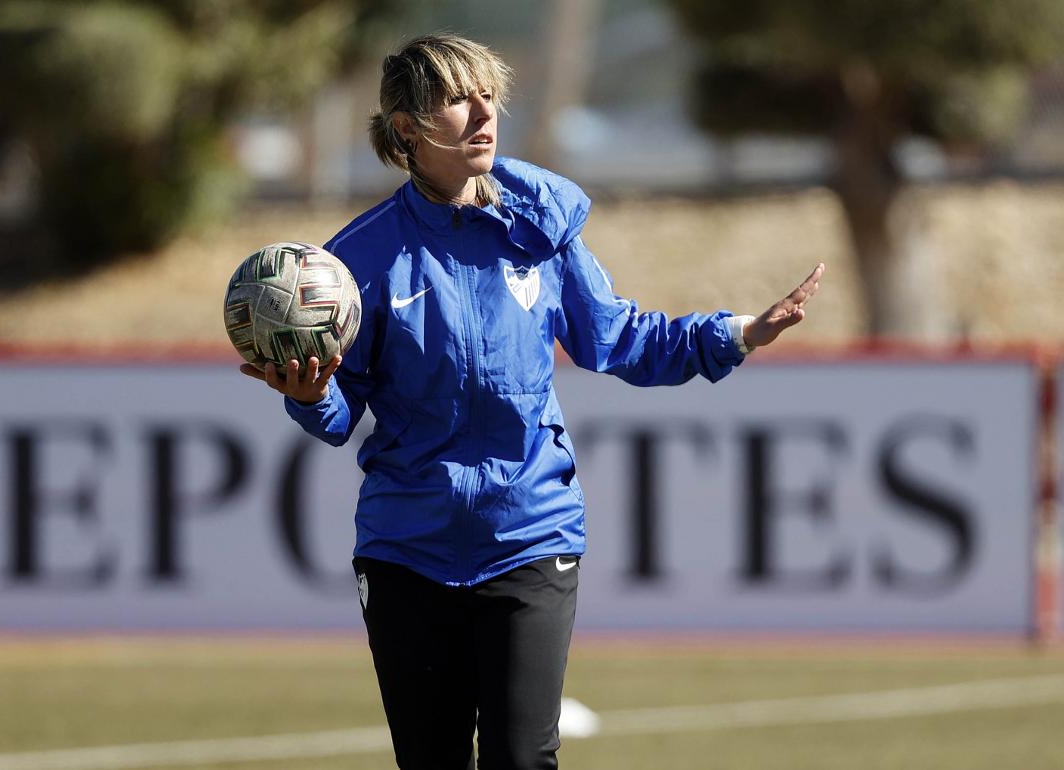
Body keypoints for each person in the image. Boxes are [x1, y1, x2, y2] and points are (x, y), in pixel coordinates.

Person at [240, 33, 824, 770]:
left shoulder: (540, 226)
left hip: (531, 533)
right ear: (405, 131)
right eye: (456, 99)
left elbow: (621, 340)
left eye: (490, 95)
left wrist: (737, 334)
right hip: (406, 549)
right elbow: (336, 416)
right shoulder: (357, 260)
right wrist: (311, 393)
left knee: (523, 758)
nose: (484, 113)